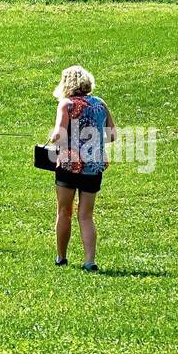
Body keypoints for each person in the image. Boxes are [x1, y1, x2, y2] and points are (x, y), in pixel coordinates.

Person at [48, 65, 114, 270]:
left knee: (64, 211)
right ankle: (89, 261)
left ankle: (61, 257)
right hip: (93, 166)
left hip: (69, 164)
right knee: (86, 215)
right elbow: (112, 136)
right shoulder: (100, 104)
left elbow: (59, 134)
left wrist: (52, 138)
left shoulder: (66, 104)